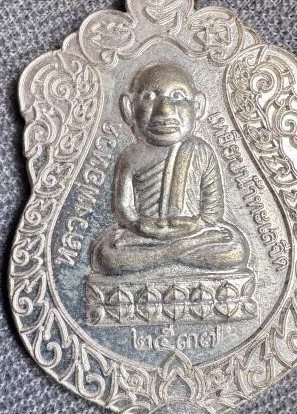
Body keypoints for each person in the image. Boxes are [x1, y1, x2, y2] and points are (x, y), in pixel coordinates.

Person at [91, 63, 249, 276]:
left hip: (192, 232)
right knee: (106, 255)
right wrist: (138, 225)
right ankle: (178, 251)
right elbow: (123, 206)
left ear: (198, 107)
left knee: (236, 250)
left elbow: (212, 209)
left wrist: (197, 224)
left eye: (178, 96)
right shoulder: (131, 156)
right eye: (149, 97)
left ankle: (167, 253)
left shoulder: (201, 151)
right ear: (129, 109)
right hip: (144, 237)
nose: (164, 110)